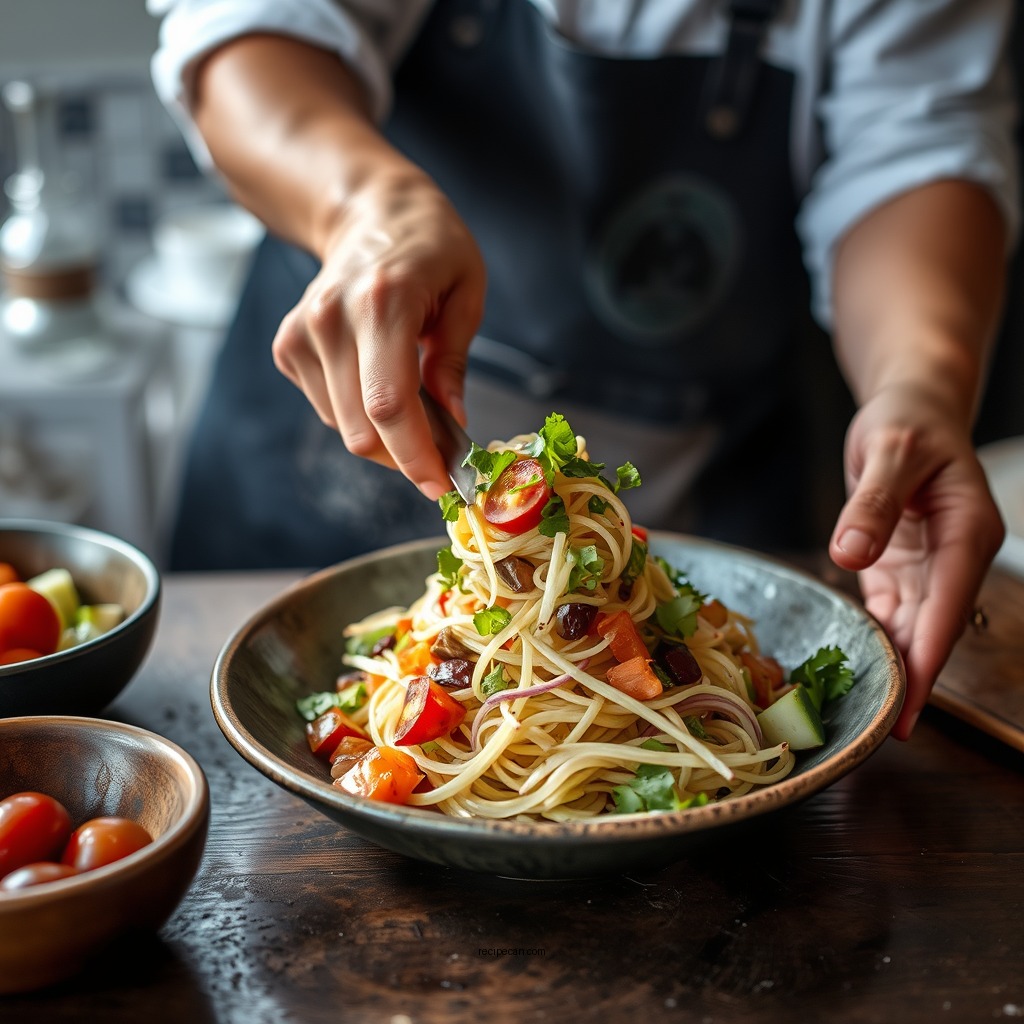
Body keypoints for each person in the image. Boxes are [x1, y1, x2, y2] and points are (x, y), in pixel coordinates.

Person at [148, 0, 1019, 741]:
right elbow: (241, 28)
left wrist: (920, 381)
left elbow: (917, 145)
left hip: (708, 482)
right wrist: (366, 209)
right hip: (302, 471)